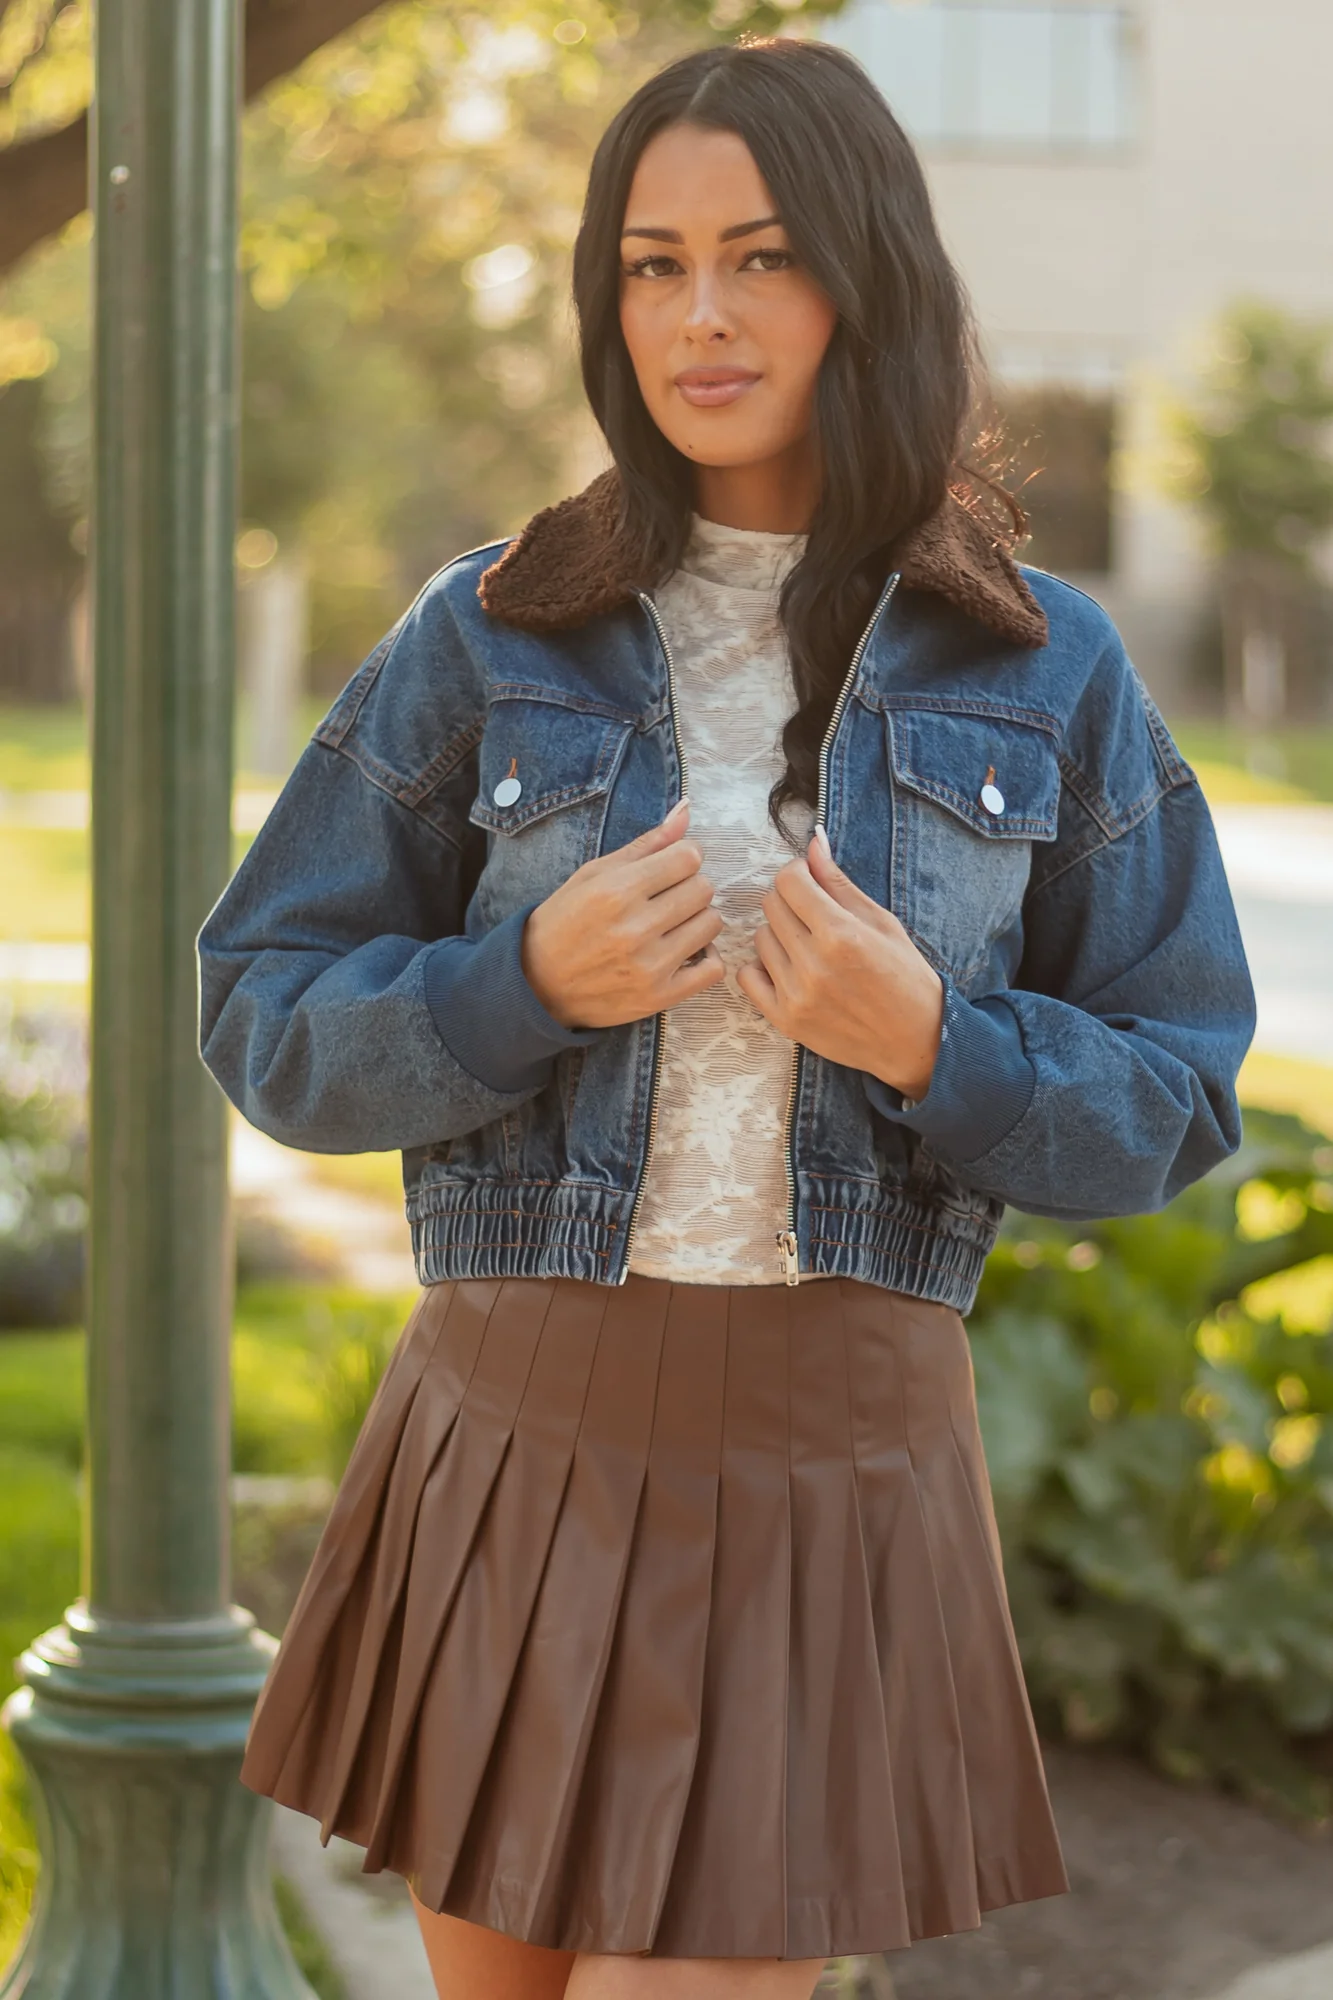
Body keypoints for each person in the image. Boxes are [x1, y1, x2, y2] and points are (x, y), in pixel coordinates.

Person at [197, 36, 1256, 2000]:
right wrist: (522, 988)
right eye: (650, 261)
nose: (699, 314)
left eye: (758, 258)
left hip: (832, 1467)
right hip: (511, 1438)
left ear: (864, 280)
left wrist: (939, 1037)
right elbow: (262, 1007)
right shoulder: (488, 627)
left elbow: (1179, 1091)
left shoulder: (1048, 665)